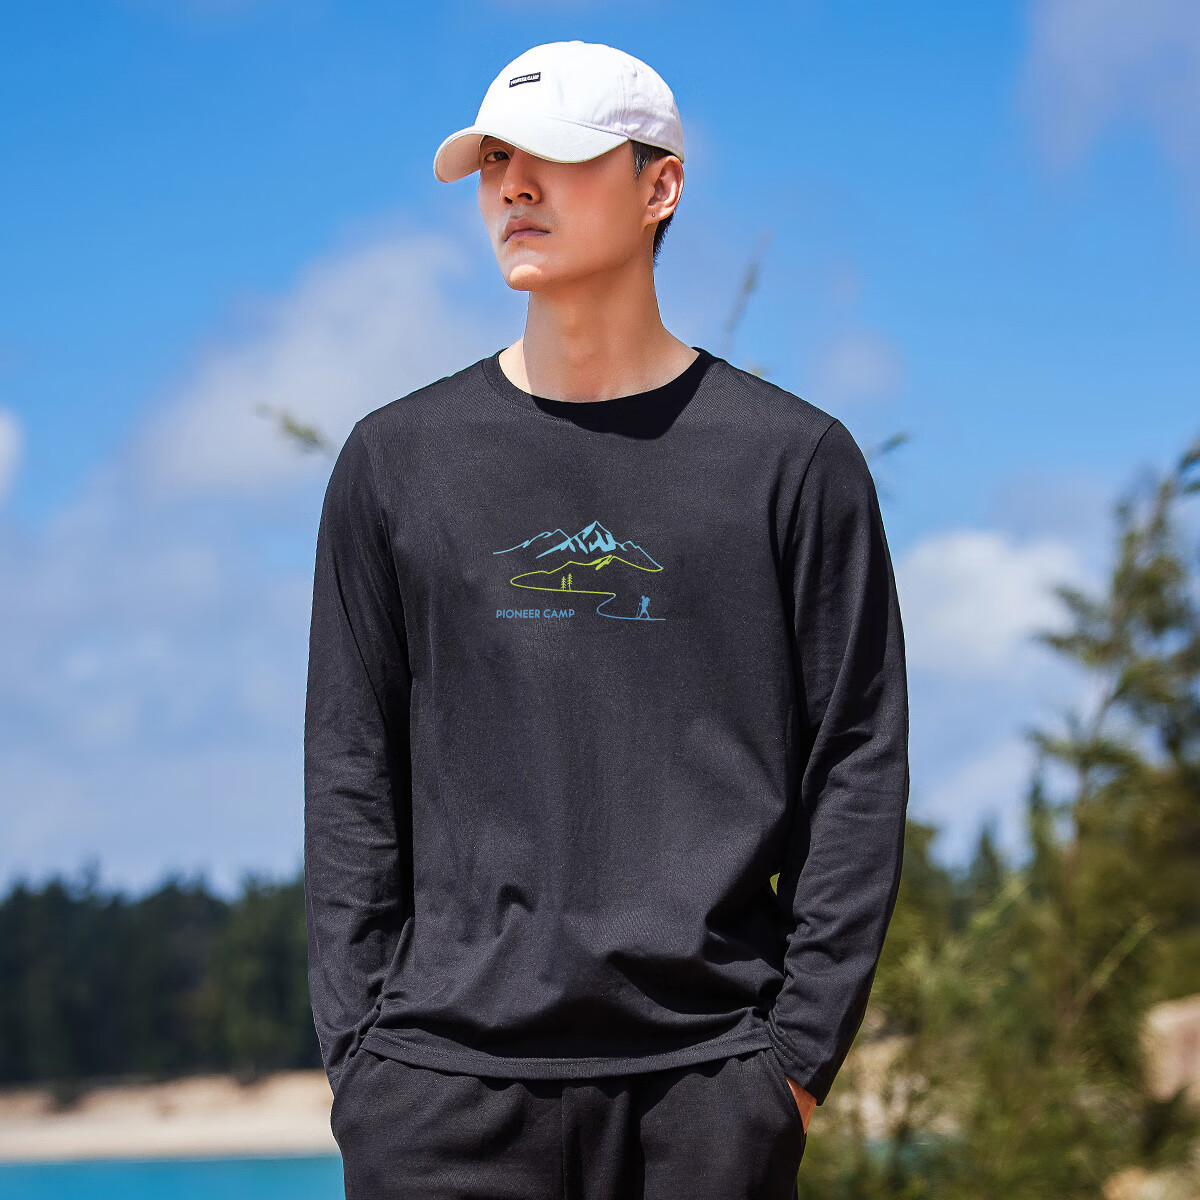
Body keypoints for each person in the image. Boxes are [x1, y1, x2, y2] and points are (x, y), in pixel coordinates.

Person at [304, 38, 910, 1200]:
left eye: (557, 158)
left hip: (708, 1094)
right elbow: (349, 769)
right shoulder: (395, 462)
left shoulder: (793, 463)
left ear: (659, 185)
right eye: (494, 161)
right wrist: (364, 1066)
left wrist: (791, 1065)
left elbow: (857, 763)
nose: (514, 188)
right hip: (438, 1095)